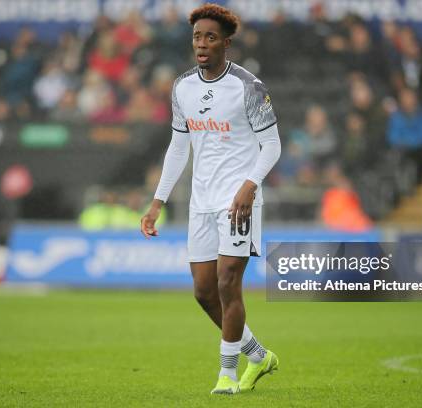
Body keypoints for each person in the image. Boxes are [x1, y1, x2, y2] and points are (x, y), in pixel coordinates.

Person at [140, 4, 280, 395]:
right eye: (197, 37)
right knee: (203, 292)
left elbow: (272, 145)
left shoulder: (248, 87)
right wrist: (157, 201)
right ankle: (259, 356)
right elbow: (178, 147)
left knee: (226, 282)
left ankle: (227, 376)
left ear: (226, 43)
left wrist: (249, 186)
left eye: (210, 37)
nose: (201, 44)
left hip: (238, 202)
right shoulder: (182, 87)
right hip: (200, 202)